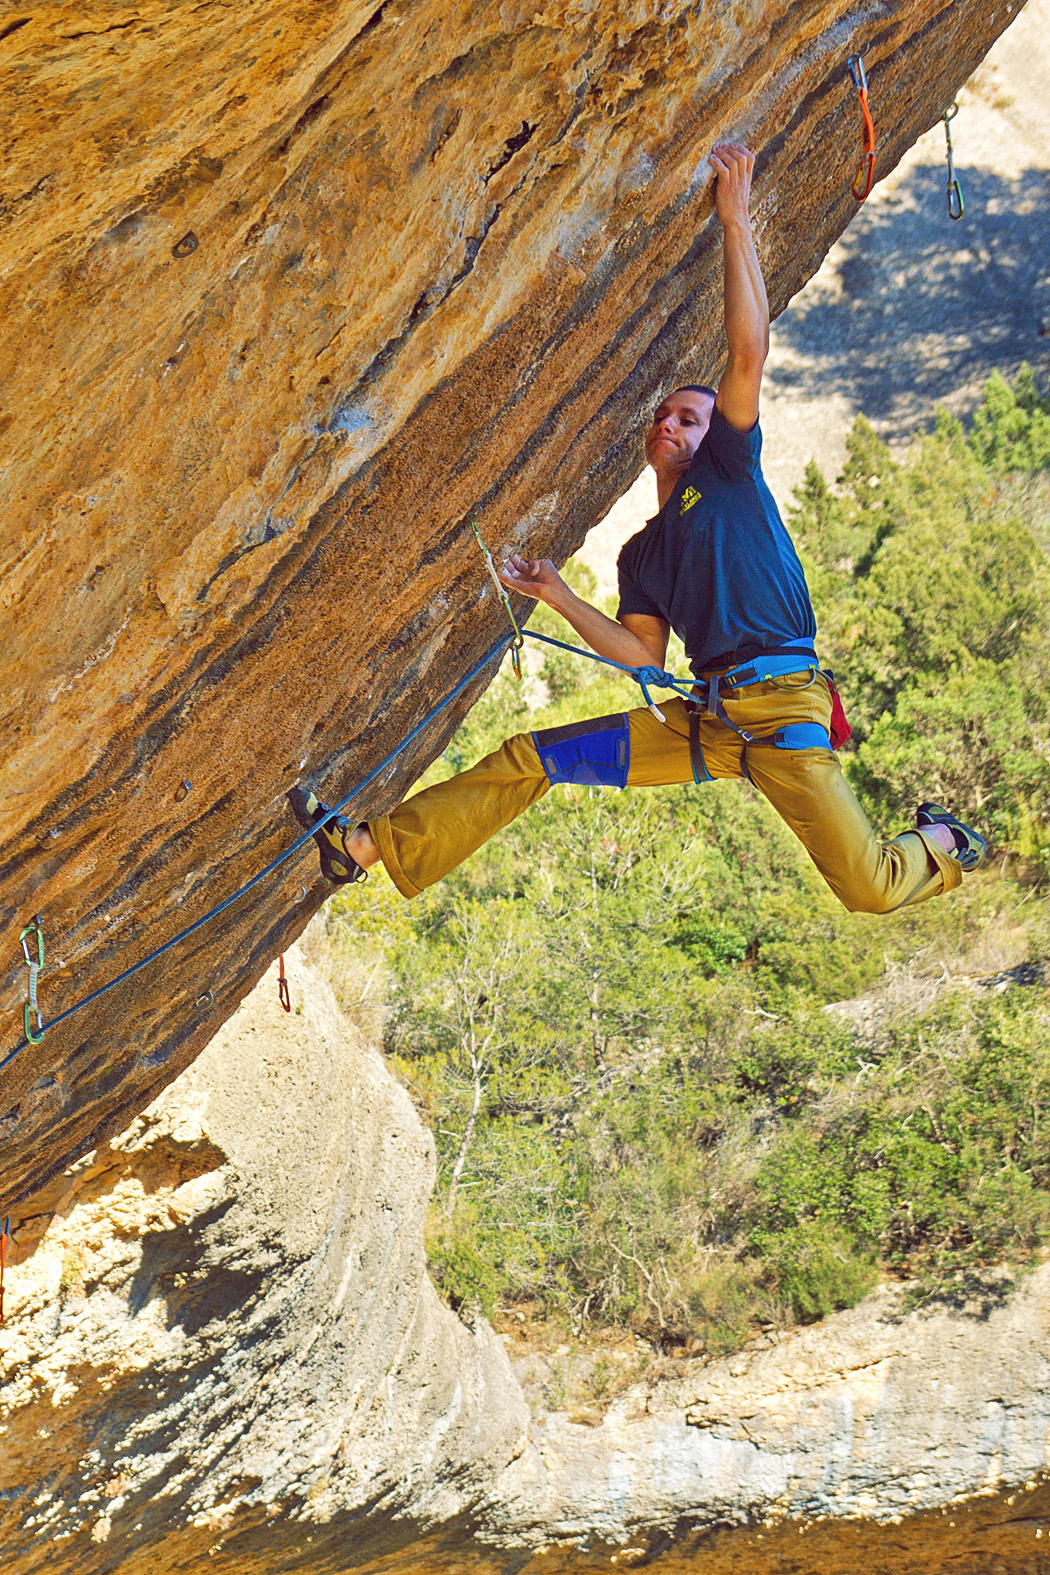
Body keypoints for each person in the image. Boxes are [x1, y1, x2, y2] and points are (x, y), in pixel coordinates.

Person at [289, 142, 985, 908]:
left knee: (870, 889)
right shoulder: (640, 555)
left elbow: (749, 349)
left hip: (786, 711)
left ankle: (945, 840)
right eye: (664, 416)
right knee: (532, 756)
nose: (672, 424)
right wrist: (556, 595)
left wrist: (736, 219)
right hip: (712, 722)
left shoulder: (728, 471)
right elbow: (642, 653)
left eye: (690, 416)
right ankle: (358, 847)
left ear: (716, 432)